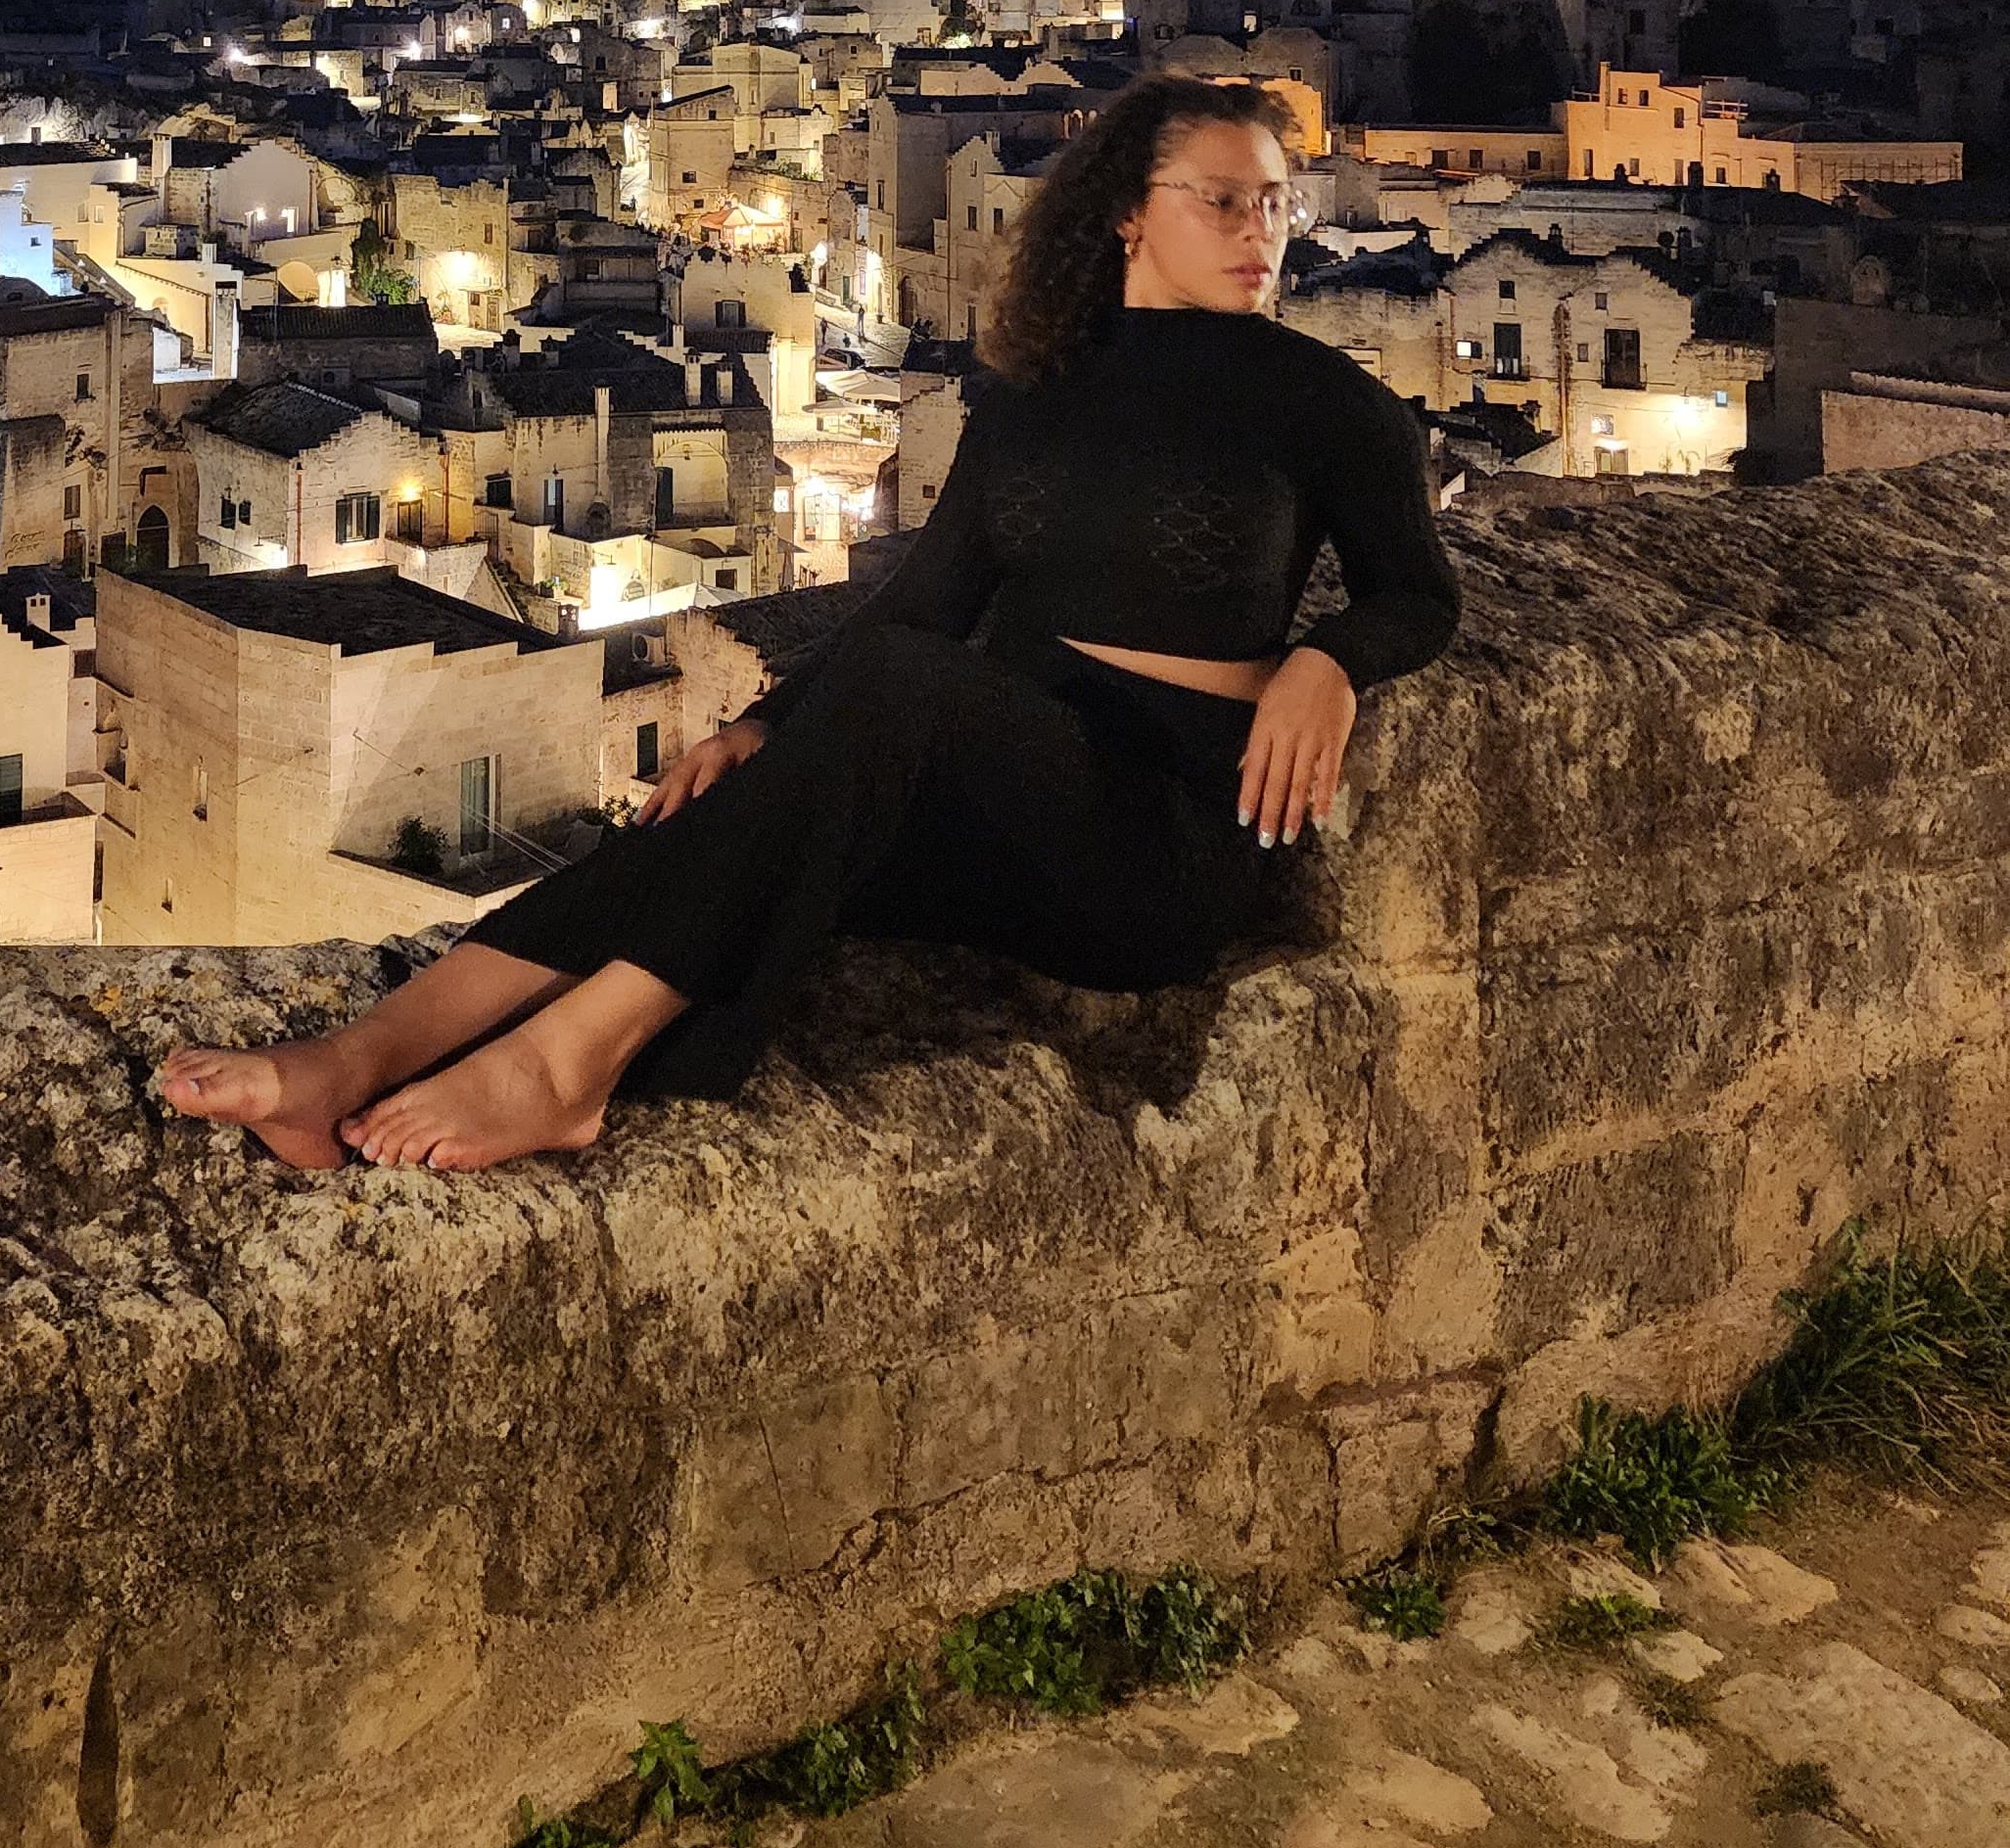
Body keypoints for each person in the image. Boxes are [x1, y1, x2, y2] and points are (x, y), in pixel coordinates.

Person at [158, 75, 1457, 1176]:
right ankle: (352, 1061)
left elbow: (1418, 592)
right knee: (720, 811)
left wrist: (1328, 659)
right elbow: (930, 595)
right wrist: (765, 726)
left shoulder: (1325, 402)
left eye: (1275, 202)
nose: (1258, 230)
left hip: (1149, 838)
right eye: (1222, 199)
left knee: (896, 693)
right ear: (1128, 211)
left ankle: (566, 1067)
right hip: (993, 796)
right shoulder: (1035, 389)